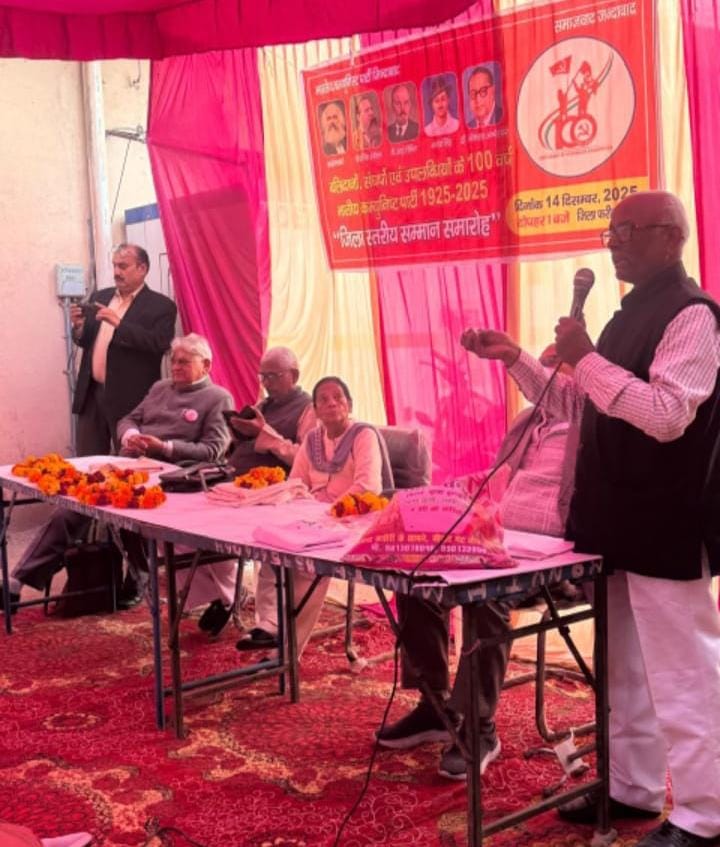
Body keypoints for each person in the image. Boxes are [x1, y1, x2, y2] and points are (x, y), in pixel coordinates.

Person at [462, 190, 720, 847]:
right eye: (610, 232)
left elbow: (666, 414)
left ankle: (706, 815)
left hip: (665, 523)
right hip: (613, 521)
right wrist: (517, 356)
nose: (613, 244)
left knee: (683, 674)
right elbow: (582, 403)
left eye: (627, 231)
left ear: (672, 236)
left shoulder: (693, 314)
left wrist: (587, 357)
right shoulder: (624, 316)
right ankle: (632, 789)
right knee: (623, 670)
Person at [376, 346, 580, 782]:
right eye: (541, 366)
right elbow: (497, 479)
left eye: (555, 367)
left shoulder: (589, 423)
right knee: (416, 577)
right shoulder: (527, 422)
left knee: (487, 599)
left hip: (556, 557)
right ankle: (435, 706)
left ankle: (478, 725)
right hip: (502, 541)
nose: (543, 374)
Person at [2, 334, 233, 613]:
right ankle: (16, 583)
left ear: (206, 365)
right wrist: (130, 435)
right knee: (70, 509)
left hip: (172, 479)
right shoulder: (160, 388)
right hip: (129, 467)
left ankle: (139, 579)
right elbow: (128, 419)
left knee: (127, 518)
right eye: (173, 360)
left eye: (184, 362)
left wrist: (165, 447)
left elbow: (213, 450)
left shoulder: (218, 398)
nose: (175, 367)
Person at [237, 376, 393, 657]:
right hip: (311, 517)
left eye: (338, 397)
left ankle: (287, 652)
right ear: (315, 410)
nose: (332, 403)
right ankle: (268, 626)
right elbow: (297, 482)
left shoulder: (363, 435)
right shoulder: (312, 439)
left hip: (351, 520)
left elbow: (368, 486)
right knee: (270, 549)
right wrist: (300, 505)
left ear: (350, 404)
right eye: (323, 399)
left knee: (307, 567)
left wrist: (328, 512)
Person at [209, 346, 315, 640]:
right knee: (192, 532)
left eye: (273, 376)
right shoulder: (265, 405)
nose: (266, 383)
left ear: (294, 375)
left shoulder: (309, 409)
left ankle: (270, 625)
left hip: (276, 495)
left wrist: (264, 434)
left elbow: (305, 458)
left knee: (268, 549)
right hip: (238, 486)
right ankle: (224, 596)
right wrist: (238, 433)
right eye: (263, 376)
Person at [71, 243, 177, 456]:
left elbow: (160, 343)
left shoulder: (162, 306)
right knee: (87, 462)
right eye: (115, 265)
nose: (117, 272)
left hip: (131, 399)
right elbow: (86, 341)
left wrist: (119, 324)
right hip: (92, 394)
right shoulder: (100, 297)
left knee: (131, 461)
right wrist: (79, 327)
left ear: (142, 268)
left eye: (123, 266)